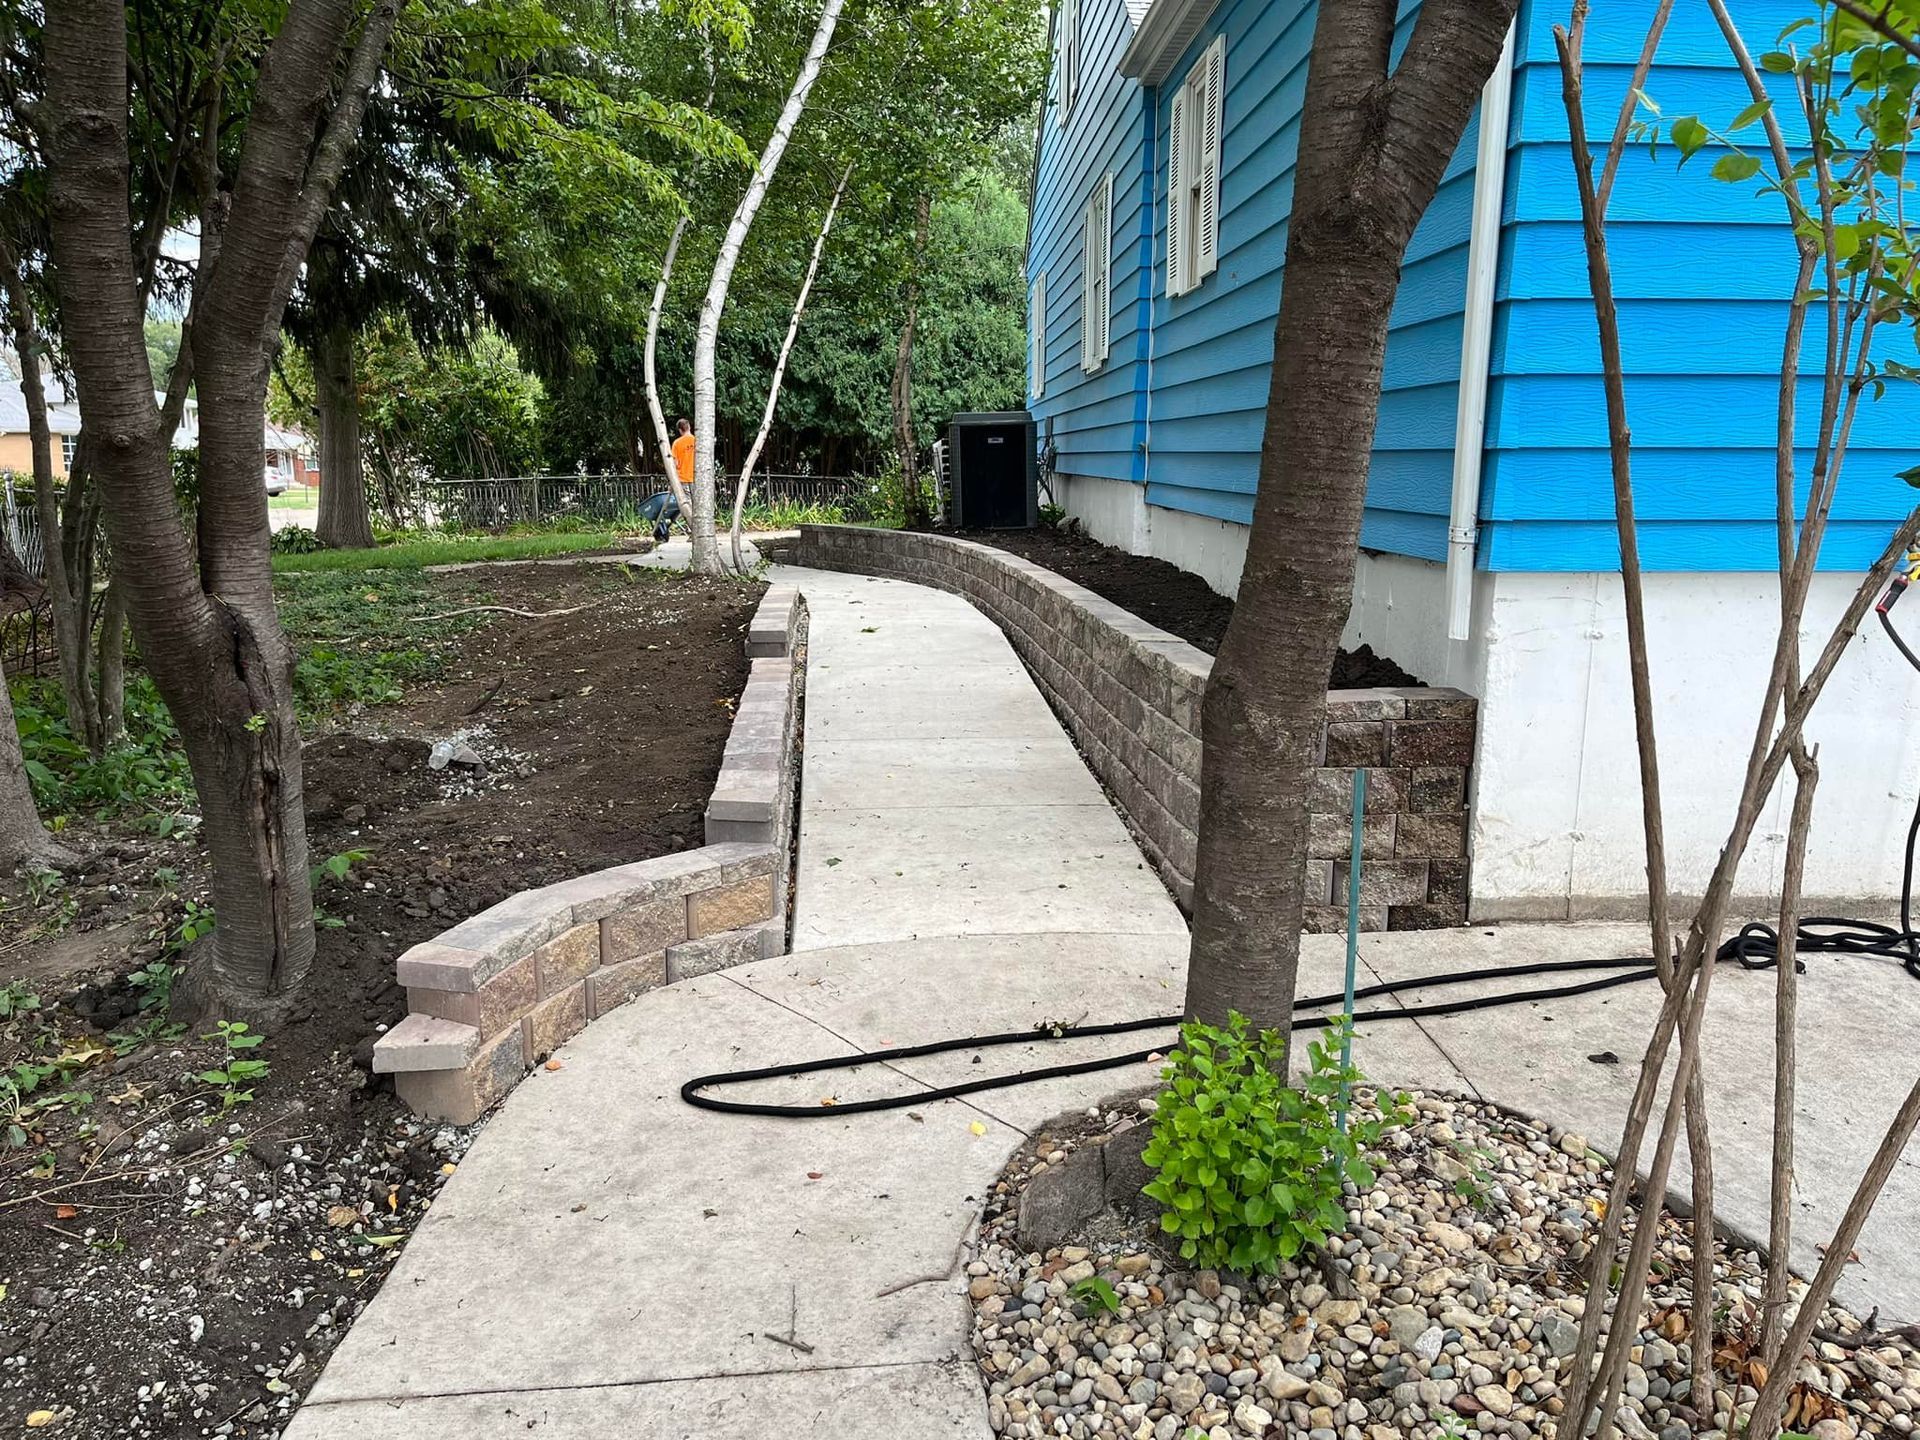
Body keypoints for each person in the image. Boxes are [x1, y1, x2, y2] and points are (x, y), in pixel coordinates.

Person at [641, 419, 694, 543]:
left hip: (683, 479)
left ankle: (693, 531)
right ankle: (700, 531)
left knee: (687, 506)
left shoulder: (677, 443)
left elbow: (675, 464)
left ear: (680, 430)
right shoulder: (697, 441)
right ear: (689, 427)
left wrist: (673, 482)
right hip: (697, 479)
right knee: (697, 506)